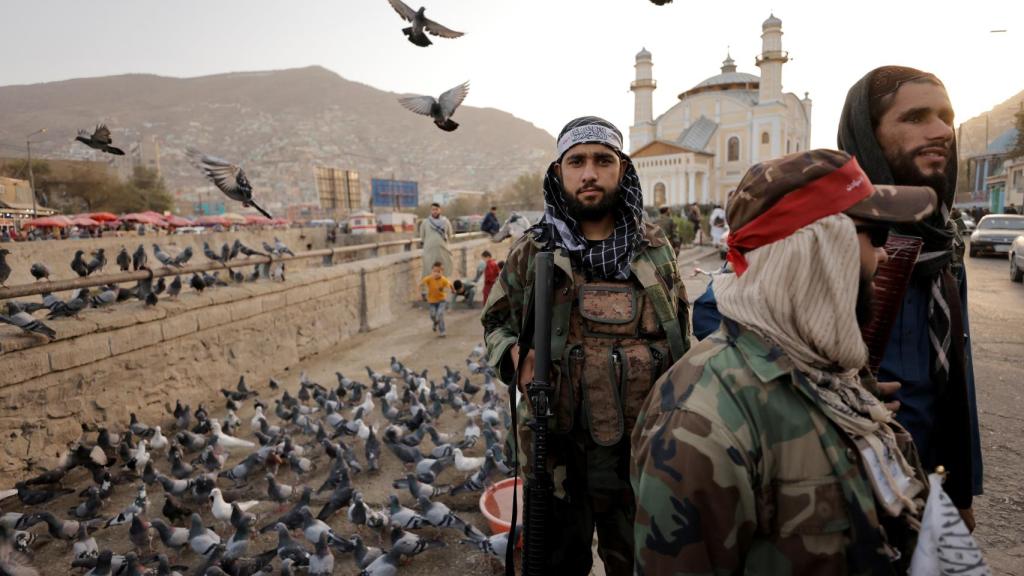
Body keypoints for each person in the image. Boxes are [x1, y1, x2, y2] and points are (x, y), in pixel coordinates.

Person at [633, 149, 939, 574]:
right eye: (878, 235)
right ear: (816, 251)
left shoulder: (828, 374)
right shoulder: (699, 422)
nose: (885, 256)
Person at [481, 116, 690, 575]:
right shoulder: (532, 252)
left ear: (622, 169)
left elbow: (682, 339)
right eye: (576, 162)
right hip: (557, 458)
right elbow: (495, 325)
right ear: (559, 174)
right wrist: (514, 355)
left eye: (602, 160)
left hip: (641, 458)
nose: (589, 173)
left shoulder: (654, 250)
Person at [838, 66, 981, 525]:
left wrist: (960, 490)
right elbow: (725, 316)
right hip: (844, 487)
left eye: (945, 116)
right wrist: (820, 385)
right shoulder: (824, 230)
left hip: (926, 481)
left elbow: (955, 375)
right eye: (915, 117)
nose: (941, 131)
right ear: (869, 132)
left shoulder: (941, 241)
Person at [418, 202, 454, 279]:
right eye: (433, 210)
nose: (435, 211)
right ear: (431, 211)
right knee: (429, 270)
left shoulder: (445, 222)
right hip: (429, 251)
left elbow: (450, 234)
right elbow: (422, 236)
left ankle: (443, 288)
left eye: (436, 209)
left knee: (444, 269)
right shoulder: (425, 222)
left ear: (440, 210)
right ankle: (429, 289)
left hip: (442, 250)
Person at [420, 261, 452, 337]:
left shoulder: (444, 280)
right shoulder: (428, 279)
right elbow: (422, 284)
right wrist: (423, 292)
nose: (436, 273)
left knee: (440, 314)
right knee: (432, 315)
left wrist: (445, 290)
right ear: (432, 271)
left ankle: (442, 331)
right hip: (432, 301)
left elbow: (449, 286)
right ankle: (435, 323)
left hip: (442, 300)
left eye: (438, 271)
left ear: (442, 272)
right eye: (434, 271)